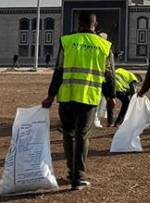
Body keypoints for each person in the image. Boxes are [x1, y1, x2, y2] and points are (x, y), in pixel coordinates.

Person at [41, 11, 115, 190]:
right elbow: (109, 74)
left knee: (68, 134)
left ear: (79, 24)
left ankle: (71, 170)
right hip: (89, 97)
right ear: (95, 24)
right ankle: (79, 177)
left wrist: (51, 95)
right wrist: (111, 96)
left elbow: (58, 70)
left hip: (67, 96)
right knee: (82, 135)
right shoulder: (105, 46)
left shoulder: (67, 41)